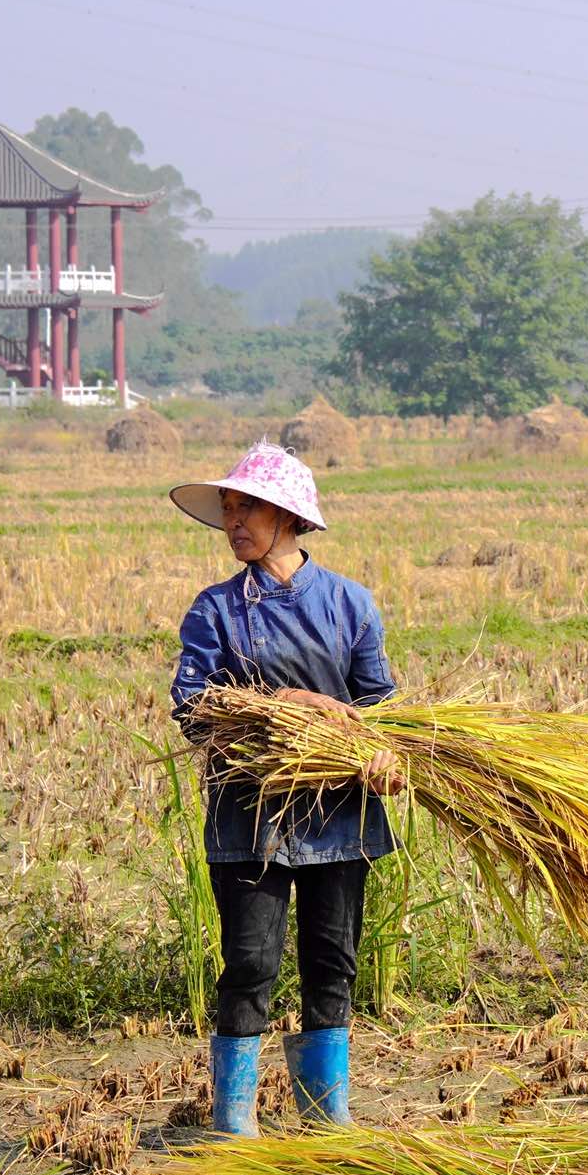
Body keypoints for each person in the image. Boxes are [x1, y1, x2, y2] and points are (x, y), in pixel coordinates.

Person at [167, 441, 394, 1139]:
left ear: (289, 518)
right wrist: (278, 711)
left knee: (333, 964)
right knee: (250, 964)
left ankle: (328, 1120)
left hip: (338, 818)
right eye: (230, 509)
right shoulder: (214, 612)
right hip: (249, 820)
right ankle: (234, 1124)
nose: (234, 520)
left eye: (249, 507)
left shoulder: (350, 604)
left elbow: (380, 706)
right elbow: (193, 705)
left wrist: (382, 751)